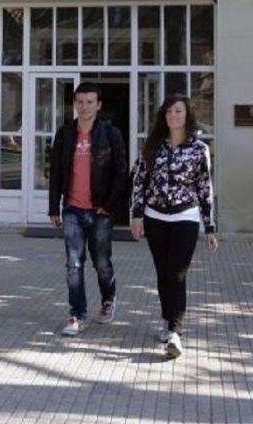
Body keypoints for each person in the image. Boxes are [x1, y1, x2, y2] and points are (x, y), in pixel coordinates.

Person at [130, 93, 218, 360]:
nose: (173, 116)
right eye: (169, 112)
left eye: (178, 111)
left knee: (177, 274)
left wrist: (210, 226)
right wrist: (136, 215)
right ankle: (168, 319)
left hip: (186, 217)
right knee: (162, 272)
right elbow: (139, 181)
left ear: (187, 115)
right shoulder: (153, 146)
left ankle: (174, 331)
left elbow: (205, 187)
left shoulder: (199, 149)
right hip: (155, 217)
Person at [48, 81, 128, 337]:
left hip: (100, 211)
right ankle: (77, 315)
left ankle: (108, 298)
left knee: (102, 262)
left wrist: (111, 205)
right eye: (80, 102)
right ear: (75, 104)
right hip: (72, 209)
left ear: (99, 105)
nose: (84, 107)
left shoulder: (111, 134)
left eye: (90, 102)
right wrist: (54, 207)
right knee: (74, 263)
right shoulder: (65, 134)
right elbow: (57, 173)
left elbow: (120, 172)